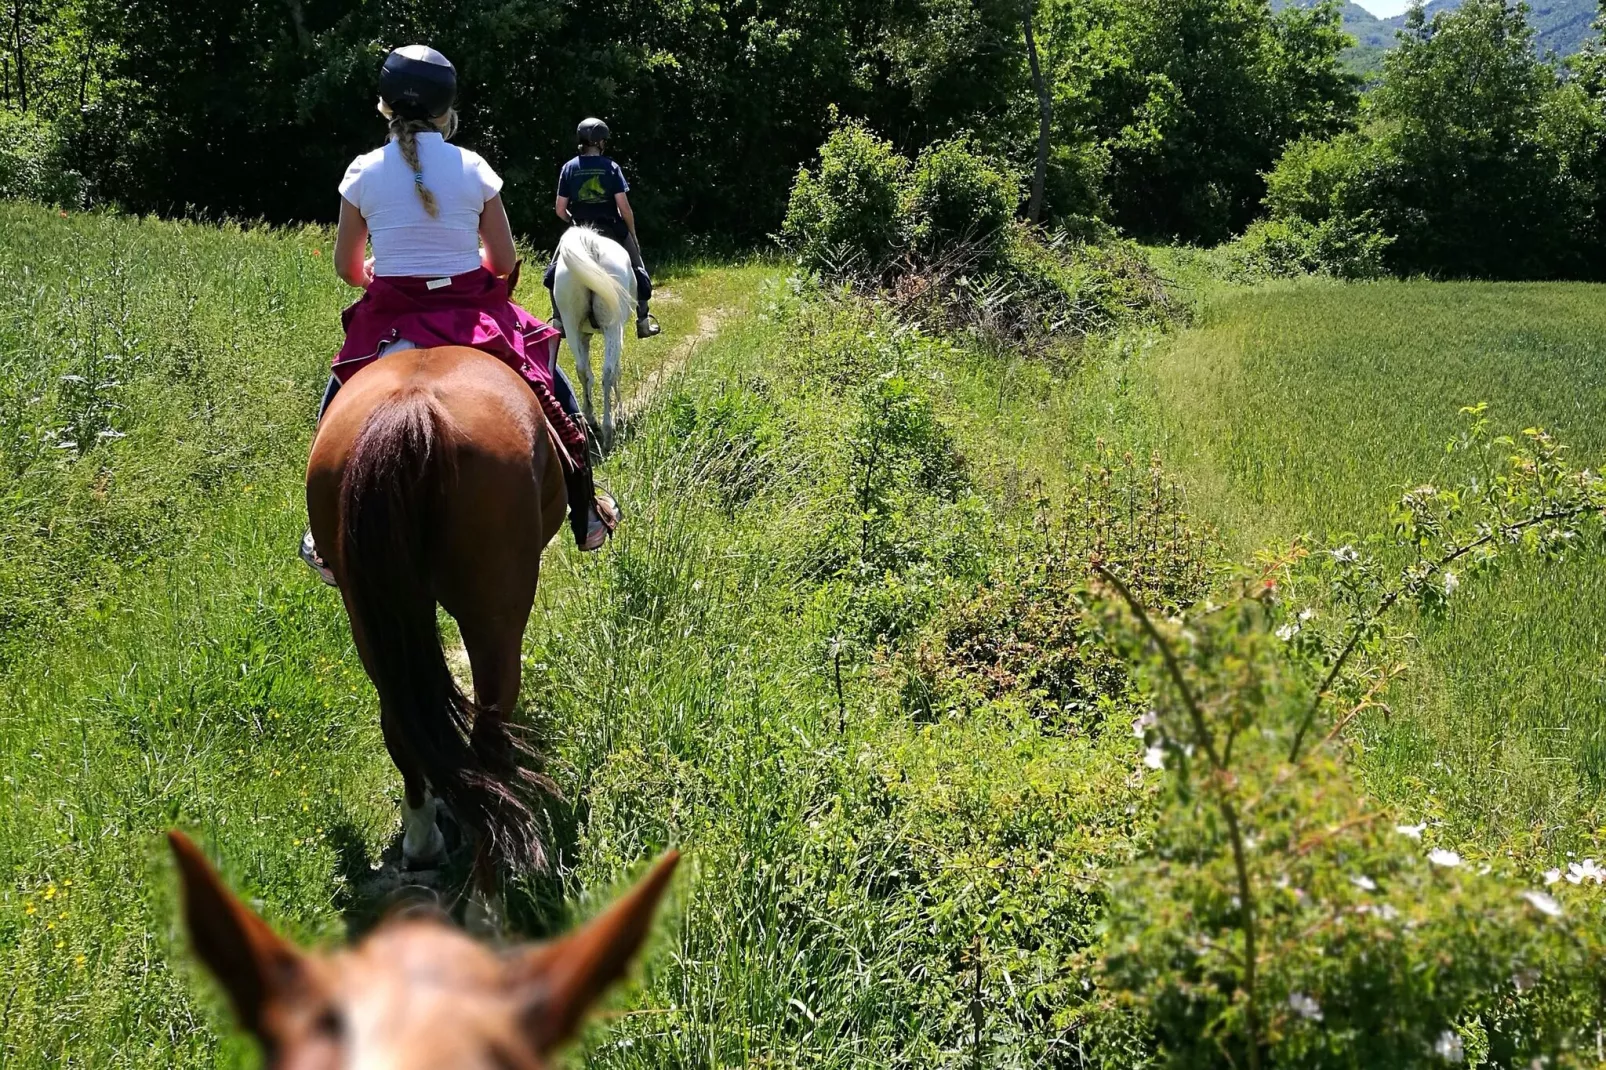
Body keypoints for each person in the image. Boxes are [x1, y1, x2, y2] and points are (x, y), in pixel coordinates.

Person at [299, 45, 619, 585]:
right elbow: (504, 262)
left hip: (391, 316)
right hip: (471, 312)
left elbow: (347, 269)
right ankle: (586, 509)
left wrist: (379, 269)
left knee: (337, 400)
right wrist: (464, 262)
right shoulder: (472, 167)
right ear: (447, 107)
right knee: (550, 385)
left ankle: (321, 532)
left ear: (385, 105)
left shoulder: (362, 172)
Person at [543, 118, 661, 339]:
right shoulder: (611, 167)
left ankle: (558, 321)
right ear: (600, 142)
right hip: (611, 227)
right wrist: (632, 234)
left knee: (553, 273)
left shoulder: (569, 168)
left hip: (578, 229)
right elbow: (624, 208)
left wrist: (573, 223)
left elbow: (560, 209)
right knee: (639, 269)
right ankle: (643, 321)